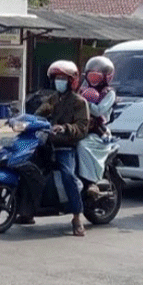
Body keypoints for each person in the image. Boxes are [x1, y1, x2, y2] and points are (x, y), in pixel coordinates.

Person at [33, 60, 89, 236]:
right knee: (28, 168)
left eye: (63, 78)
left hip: (66, 146)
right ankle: (26, 211)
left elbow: (82, 127)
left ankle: (77, 217)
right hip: (47, 143)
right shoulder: (53, 98)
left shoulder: (79, 102)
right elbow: (37, 115)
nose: (59, 81)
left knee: (67, 176)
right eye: (57, 78)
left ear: (71, 81)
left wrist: (65, 128)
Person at [76, 56, 117, 199]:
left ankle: (91, 182)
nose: (93, 80)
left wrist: (84, 102)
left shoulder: (109, 93)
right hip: (82, 128)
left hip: (99, 133)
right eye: (91, 76)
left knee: (82, 146)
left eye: (97, 77)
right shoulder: (83, 90)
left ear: (106, 77)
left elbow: (99, 110)